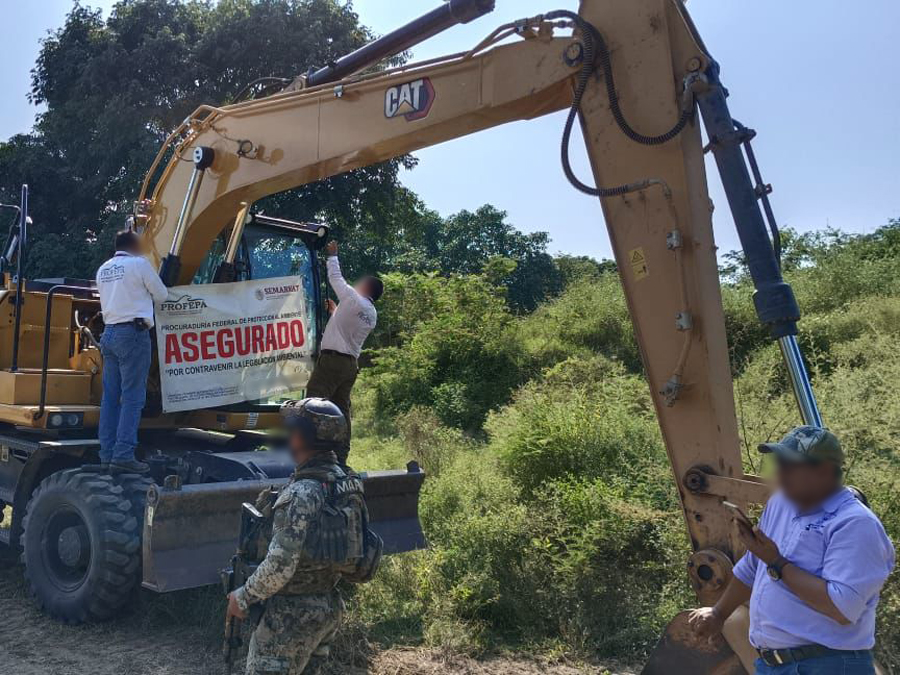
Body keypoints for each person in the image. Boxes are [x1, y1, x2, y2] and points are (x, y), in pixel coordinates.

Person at [689, 426, 895, 674]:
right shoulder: (780, 504)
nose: (781, 474)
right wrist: (719, 613)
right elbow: (752, 568)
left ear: (825, 471)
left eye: (792, 467)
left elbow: (841, 608)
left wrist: (777, 562)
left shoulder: (856, 525)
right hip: (772, 665)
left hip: (827, 665)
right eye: (780, 464)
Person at [227, 398, 362, 675]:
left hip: (290, 616)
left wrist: (243, 596)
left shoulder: (302, 493)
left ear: (302, 436)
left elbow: (280, 564)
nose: (288, 435)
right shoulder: (348, 484)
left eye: (292, 429)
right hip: (328, 605)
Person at [95, 229, 168, 473]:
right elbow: (162, 295)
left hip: (109, 334)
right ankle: (124, 455)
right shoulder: (140, 264)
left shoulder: (103, 269)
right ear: (135, 245)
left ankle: (106, 455)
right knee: (133, 398)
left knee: (110, 398)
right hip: (133, 335)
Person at [305, 240, 382, 463]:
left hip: (332, 362)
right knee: (341, 409)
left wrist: (332, 256)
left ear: (366, 287)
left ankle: (314, 453)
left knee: (314, 401)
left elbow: (336, 278)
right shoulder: (371, 313)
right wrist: (336, 312)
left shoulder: (354, 299)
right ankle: (341, 454)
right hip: (350, 365)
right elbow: (346, 330)